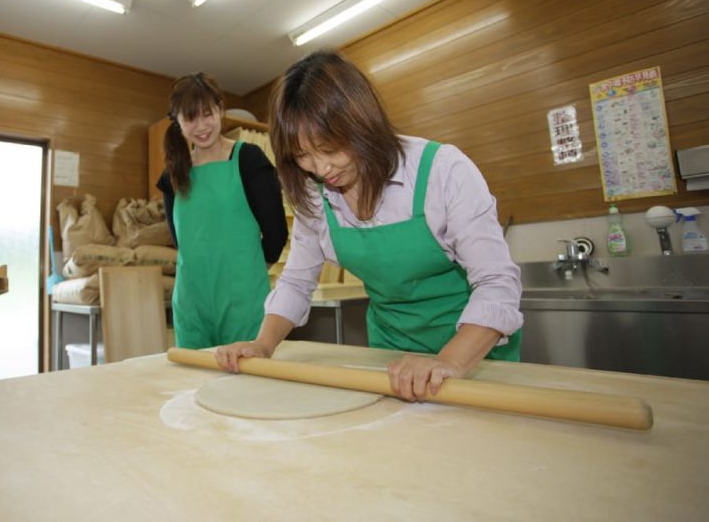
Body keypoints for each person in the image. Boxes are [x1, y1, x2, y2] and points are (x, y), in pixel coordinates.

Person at [215, 50, 523, 400]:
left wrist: (449, 362)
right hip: (388, 355)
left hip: (473, 353)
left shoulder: (443, 170)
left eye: (329, 148)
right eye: (302, 155)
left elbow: (497, 283)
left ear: (361, 123)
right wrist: (263, 344)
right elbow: (297, 281)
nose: (320, 169)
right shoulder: (315, 194)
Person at [157, 73, 288, 349]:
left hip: (244, 302)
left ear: (220, 108)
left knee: (244, 386)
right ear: (178, 121)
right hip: (192, 305)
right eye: (191, 118)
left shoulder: (249, 159)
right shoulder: (173, 175)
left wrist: (245, 270)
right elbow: (182, 242)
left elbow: (276, 232)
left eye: (208, 114)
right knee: (192, 386)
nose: (202, 126)